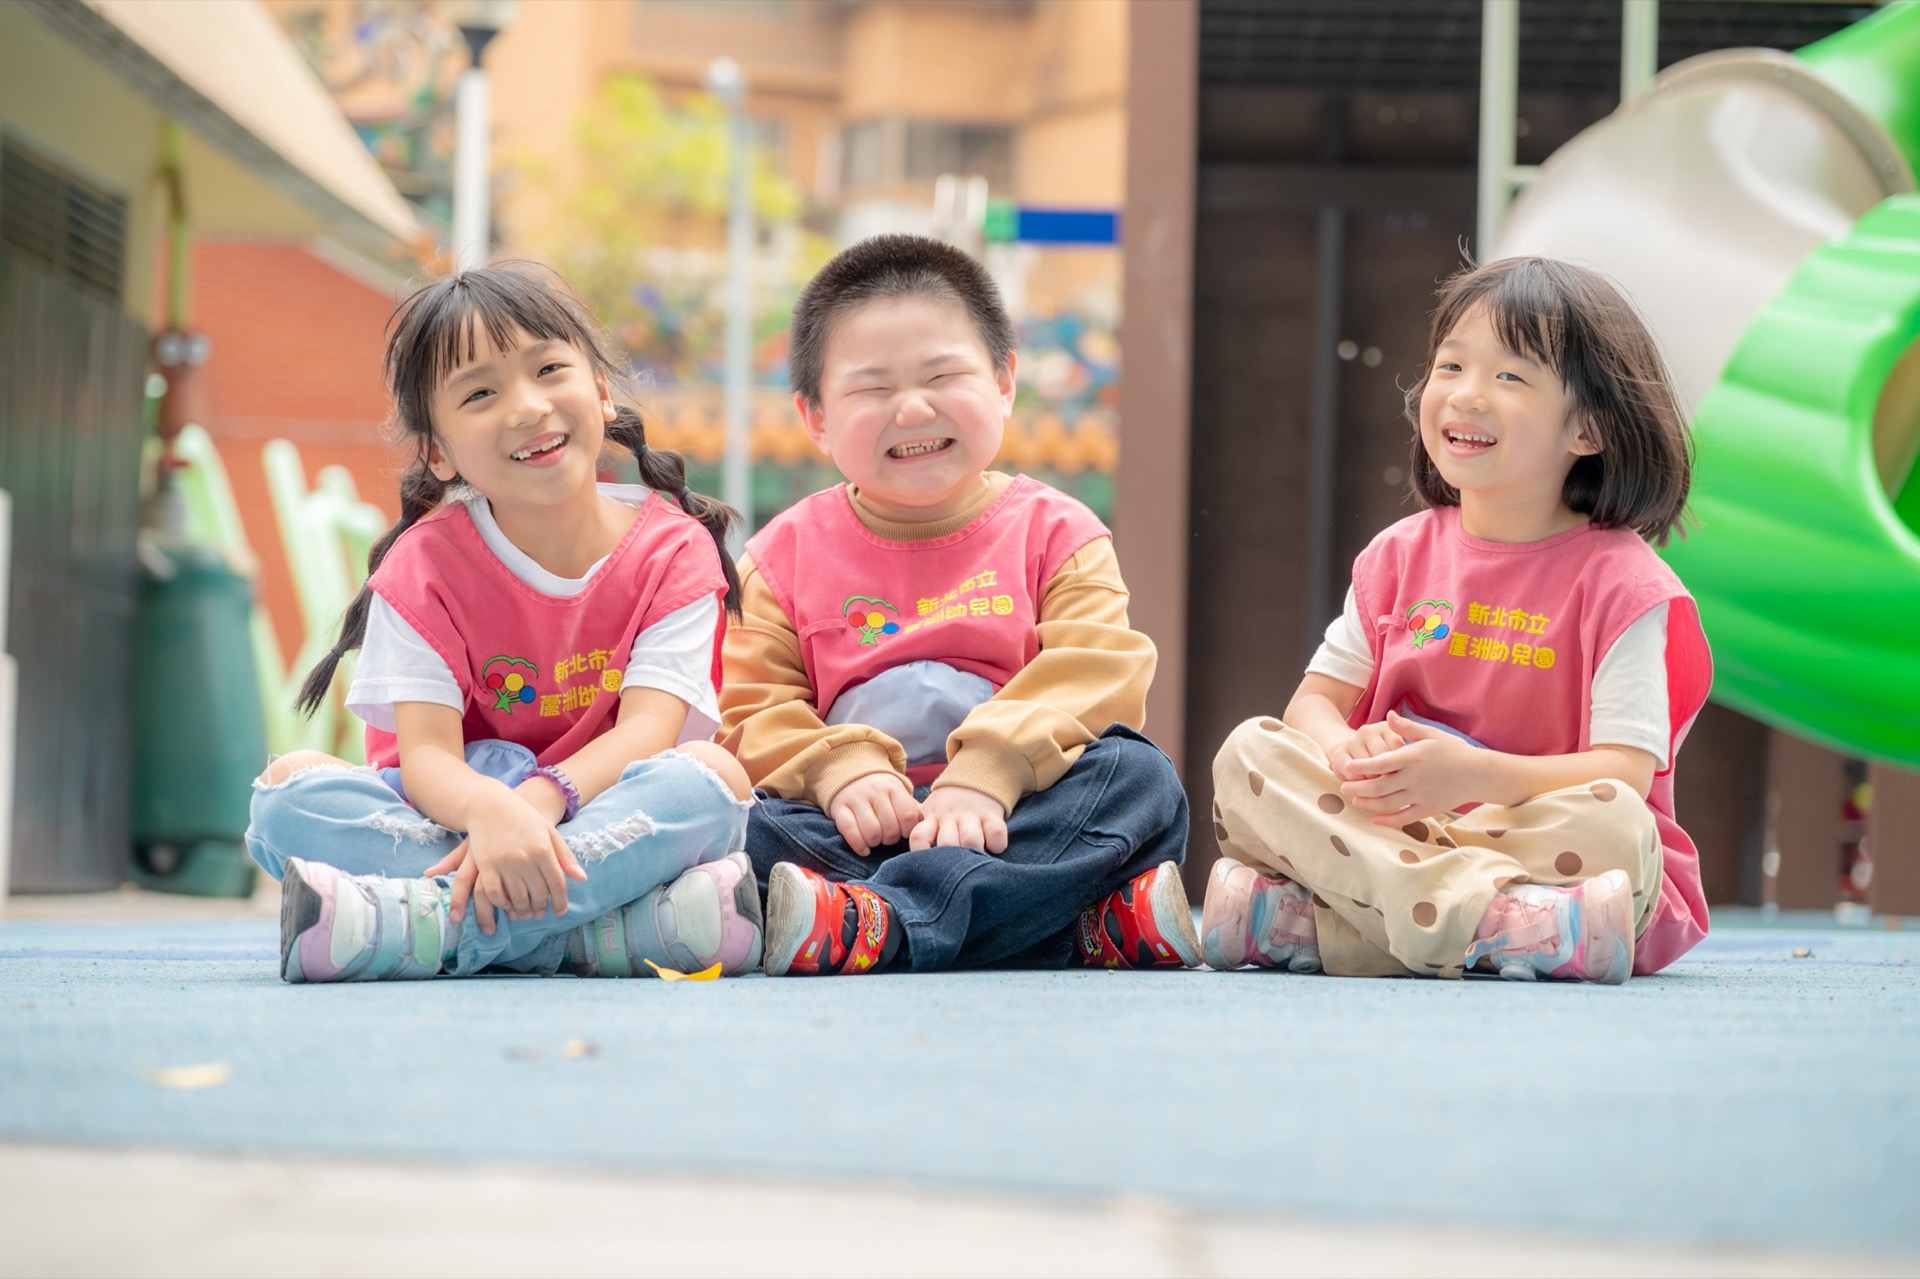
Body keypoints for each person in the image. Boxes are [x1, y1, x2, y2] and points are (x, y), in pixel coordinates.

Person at [245, 264, 760, 984]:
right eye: (481, 392)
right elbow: (425, 759)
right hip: (456, 819)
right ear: (438, 451)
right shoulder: (423, 565)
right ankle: (599, 936)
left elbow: (647, 733)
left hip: (599, 810)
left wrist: (535, 807)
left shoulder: (674, 549)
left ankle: (417, 926)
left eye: (549, 369)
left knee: (713, 781)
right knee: (283, 798)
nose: (527, 406)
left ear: (603, 392)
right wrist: (491, 816)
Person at [1205, 257, 1712, 984]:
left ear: (1591, 428)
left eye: (1510, 377)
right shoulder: (1397, 557)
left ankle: (1323, 927)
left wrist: (1473, 775)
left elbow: (1623, 772)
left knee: (1616, 824)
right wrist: (1349, 748)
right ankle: (1503, 926)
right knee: (1249, 753)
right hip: (1393, 825)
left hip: (1526, 837)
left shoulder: (1627, 584)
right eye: (1450, 366)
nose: (1466, 395)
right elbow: (1312, 706)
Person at [721, 234, 1195, 976]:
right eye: (872, 388)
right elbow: (748, 708)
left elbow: (1098, 669)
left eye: (943, 375)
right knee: (744, 820)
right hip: (861, 829)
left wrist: (989, 771)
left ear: (1005, 380)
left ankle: (882, 922)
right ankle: (1073, 928)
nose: (912, 407)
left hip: (1017, 817)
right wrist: (839, 769)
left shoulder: (1058, 531)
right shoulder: (777, 559)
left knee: (1138, 779)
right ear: (814, 416)